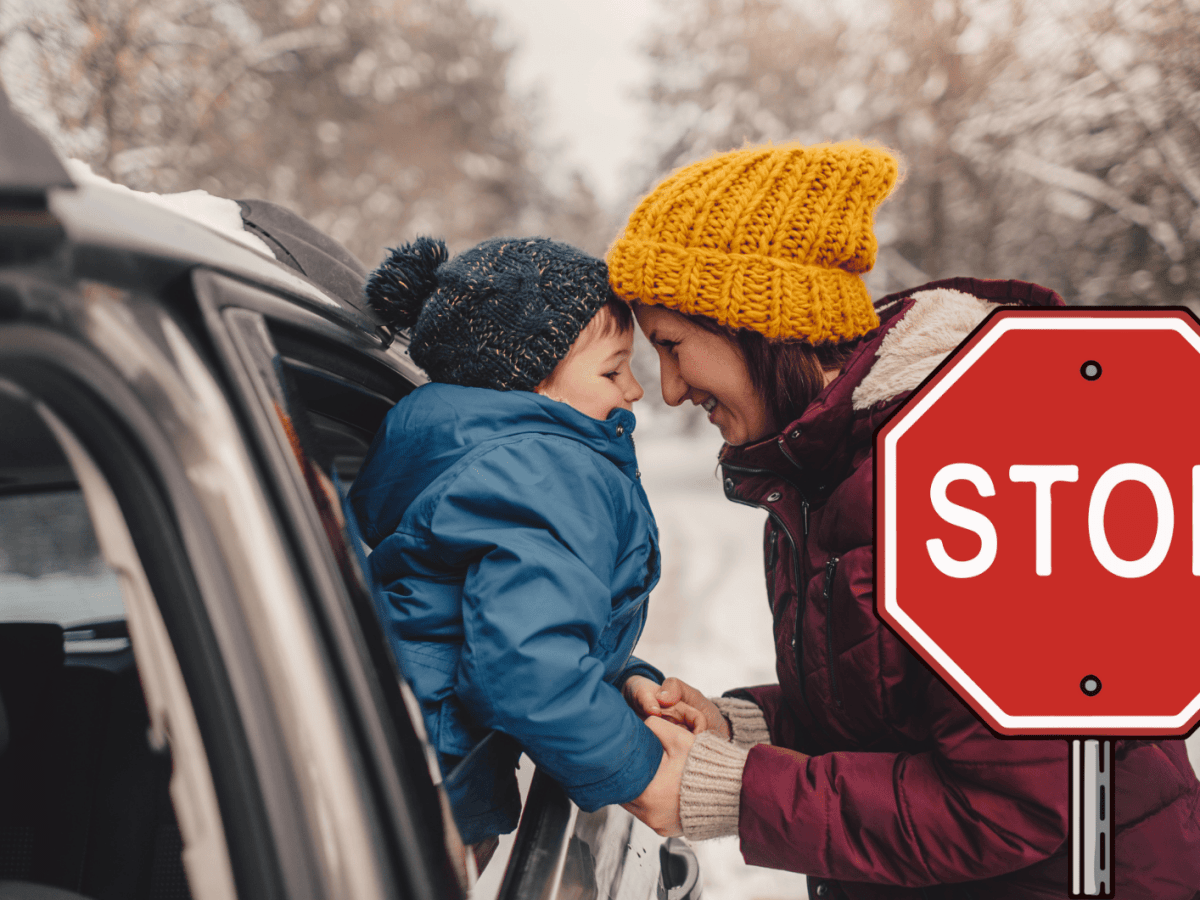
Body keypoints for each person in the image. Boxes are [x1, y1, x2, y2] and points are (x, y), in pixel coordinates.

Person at [609, 142, 1200, 899]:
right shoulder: (826, 468)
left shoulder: (980, 466)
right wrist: (741, 731)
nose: (668, 389)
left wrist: (739, 790)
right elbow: (899, 714)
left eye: (672, 345)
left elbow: (1010, 803)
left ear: (756, 320)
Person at [348, 236, 687, 860]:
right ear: (529, 386)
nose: (635, 390)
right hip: (437, 788)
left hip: (407, 756)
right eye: (613, 370)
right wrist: (643, 773)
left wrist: (621, 678)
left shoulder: (489, 462)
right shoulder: (545, 472)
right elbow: (525, 666)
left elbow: (510, 618)